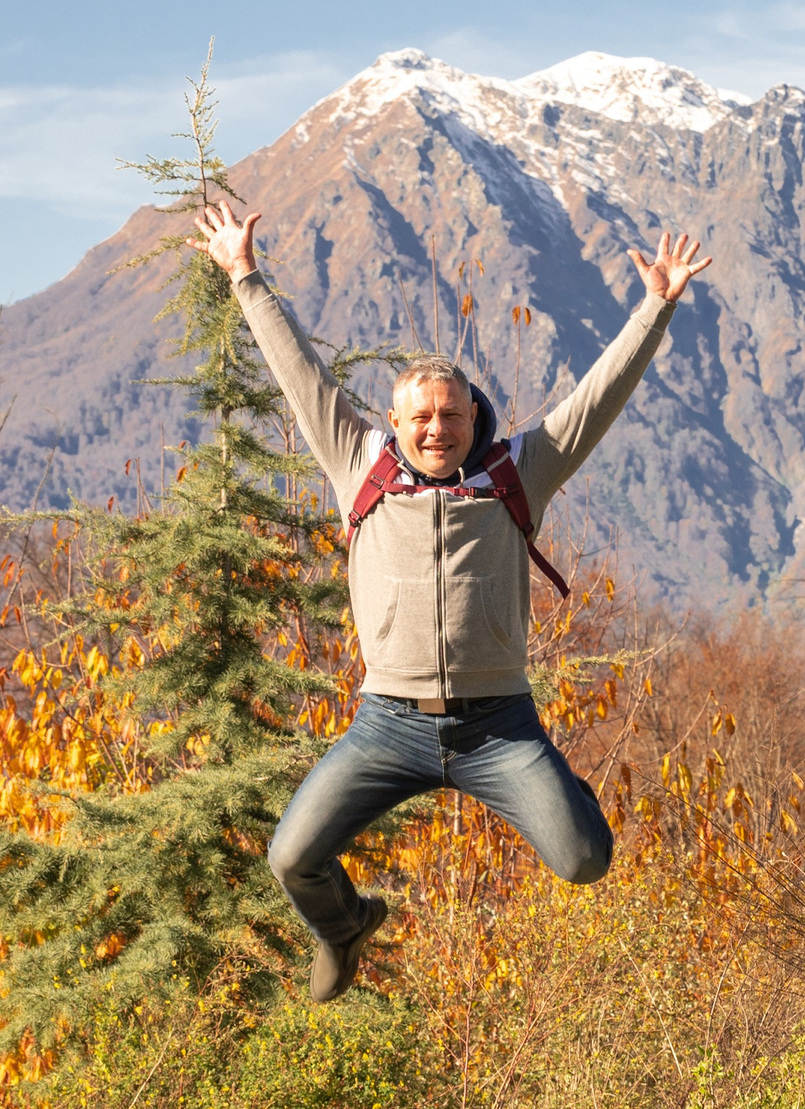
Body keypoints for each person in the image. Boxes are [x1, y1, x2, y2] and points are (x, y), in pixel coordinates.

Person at [191, 202, 713, 1000]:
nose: (438, 428)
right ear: (395, 422)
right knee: (292, 857)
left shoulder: (517, 473)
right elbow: (299, 373)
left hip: (497, 725)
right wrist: (244, 276)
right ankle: (346, 926)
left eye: (452, 415)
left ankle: (559, 786)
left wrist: (657, 306)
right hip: (387, 726)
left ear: (475, 418)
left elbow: (597, 400)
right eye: (422, 417)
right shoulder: (359, 466)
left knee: (584, 859)